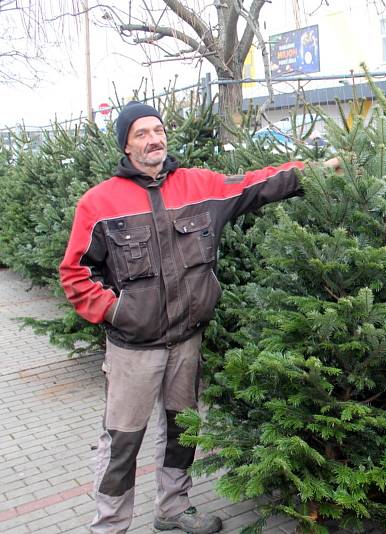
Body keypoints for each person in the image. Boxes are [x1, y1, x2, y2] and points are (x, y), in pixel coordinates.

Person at [59, 101, 338, 534]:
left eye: (158, 129)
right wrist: (118, 311)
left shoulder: (199, 186)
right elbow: (76, 273)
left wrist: (319, 169)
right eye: (141, 133)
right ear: (127, 146)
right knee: (122, 442)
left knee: (181, 431)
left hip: (186, 341)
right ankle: (110, 526)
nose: (154, 139)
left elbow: (257, 184)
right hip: (134, 349)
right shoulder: (99, 203)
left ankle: (172, 510)